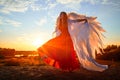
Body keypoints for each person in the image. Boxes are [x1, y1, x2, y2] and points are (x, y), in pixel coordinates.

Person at [38, 11, 108, 72]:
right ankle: (46, 55)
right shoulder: (59, 23)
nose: (62, 16)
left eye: (63, 15)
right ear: (60, 16)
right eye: (61, 15)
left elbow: (76, 21)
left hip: (68, 39)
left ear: (65, 16)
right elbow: (58, 31)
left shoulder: (68, 21)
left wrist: (83, 20)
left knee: (67, 54)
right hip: (61, 38)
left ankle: (69, 67)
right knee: (50, 46)